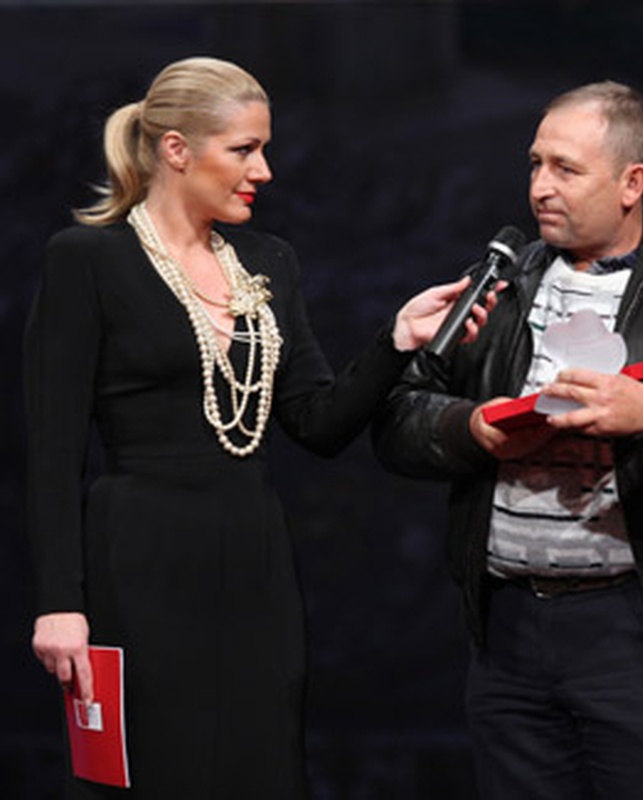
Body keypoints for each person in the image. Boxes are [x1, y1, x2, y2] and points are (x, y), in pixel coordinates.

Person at [24, 56, 496, 800]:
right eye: (244, 149)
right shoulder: (87, 259)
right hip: (140, 558)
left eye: (264, 149)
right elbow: (52, 451)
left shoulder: (268, 261)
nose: (264, 171)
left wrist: (396, 340)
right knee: (160, 771)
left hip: (254, 561)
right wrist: (60, 603)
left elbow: (317, 423)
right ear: (177, 150)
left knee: (262, 770)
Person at [373, 80, 643, 800]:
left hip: (638, 630)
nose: (540, 187)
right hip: (507, 629)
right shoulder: (497, 284)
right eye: (535, 164)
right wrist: (470, 428)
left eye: (565, 169)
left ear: (631, 183)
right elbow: (398, 418)